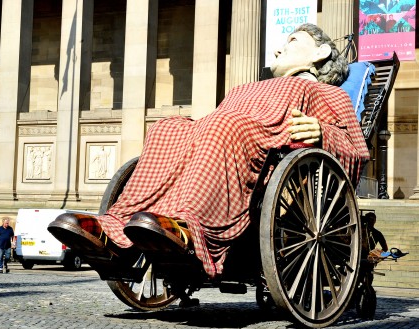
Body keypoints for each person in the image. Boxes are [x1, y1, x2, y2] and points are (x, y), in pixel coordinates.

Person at [48, 23, 370, 279]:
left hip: (260, 152)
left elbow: (356, 150)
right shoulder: (246, 88)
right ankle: (116, 229)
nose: (277, 48)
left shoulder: (327, 93)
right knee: (168, 127)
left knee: (223, 125)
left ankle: (188, 228)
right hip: (221, 140)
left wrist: (322, 132)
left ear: (321, 53)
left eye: (293, 41)